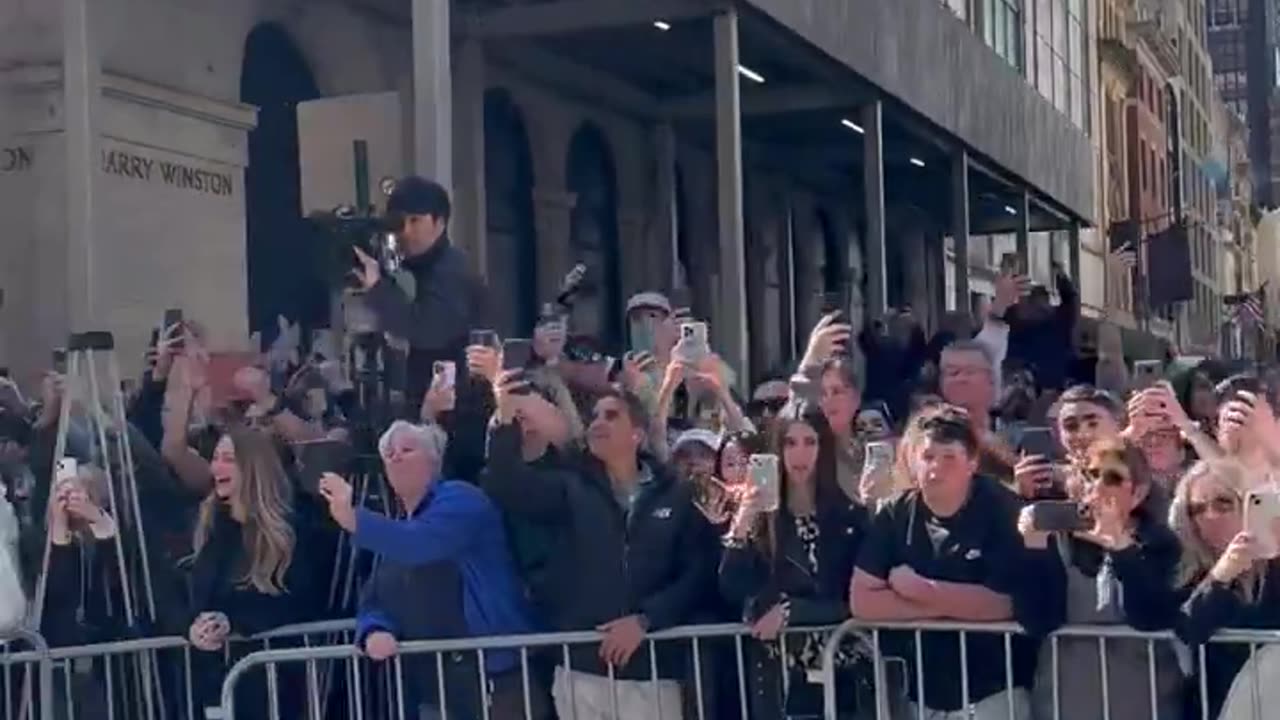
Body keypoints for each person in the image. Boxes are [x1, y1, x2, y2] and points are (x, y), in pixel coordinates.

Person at [482, 380, 713, 720]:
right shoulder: (570, 486)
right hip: (581, 670)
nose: (597, 423)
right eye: (594, 417)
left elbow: (697, 573)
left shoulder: (675, 494)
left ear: (637, 434)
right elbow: (505, 484)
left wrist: (645, 620)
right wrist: (503, 416)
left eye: (611, 416)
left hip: (653, 671)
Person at [319, 420, 544, 720]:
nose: (396, 457)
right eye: (388, 453)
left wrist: (352, 517)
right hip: (435, 685)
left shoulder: (462, 499)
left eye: (407, 449)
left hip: (495, 677)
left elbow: (420, 544)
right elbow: (375, 597)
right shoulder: (397, 529)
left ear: (433, 460)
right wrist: (374, 629)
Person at [849, 404, 1035, 719]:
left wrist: (920, 590)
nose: (935, 468)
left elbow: (1004, 604)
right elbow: (863, 600)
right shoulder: (896, 512)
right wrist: (948, 608)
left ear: (972, 463)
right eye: (928, 457)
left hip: (994, 692)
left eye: (949, 458)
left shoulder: (1003, 510)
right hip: (922, 696)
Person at [719, 401, 871, 718]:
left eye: (810, 442)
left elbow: (858, 599)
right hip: (779, 676)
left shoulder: (848, 516)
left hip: (844, 671)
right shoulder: (763, 520)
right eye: (790, 443)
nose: (800, 454)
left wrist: (793, 612)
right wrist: (743, 520)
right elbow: (732, 589)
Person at [1017, 438, 1184, 720]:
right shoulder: (1058, 539)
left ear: (1139, 492)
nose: (1098, 485)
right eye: (1091, 474)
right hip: (1064, 704)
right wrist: (1034, 548)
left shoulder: (1161, 543)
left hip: (1144, 704)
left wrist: (1121, 546)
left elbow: (1149, 617)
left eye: (1113, 478)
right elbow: (1038, 619)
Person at [352, 176, 482, 403]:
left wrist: (378, 290)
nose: (406, 231)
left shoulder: (452, 268)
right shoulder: (415, 268)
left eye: (415, 221)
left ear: (439, 223)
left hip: (457, 408)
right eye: (400, 222)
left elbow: (428, 331)